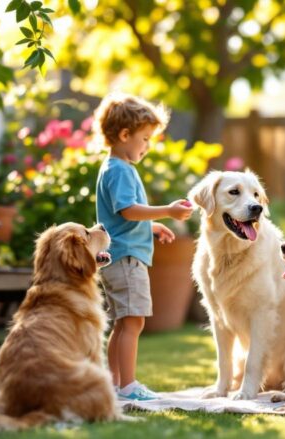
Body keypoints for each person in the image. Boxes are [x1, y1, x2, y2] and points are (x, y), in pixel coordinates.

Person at [93, 93, 193, 401]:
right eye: (145, 138)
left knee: (124, 322)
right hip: (126, 258)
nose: (147, 146)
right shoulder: (120, 170)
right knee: (133, 320)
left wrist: (151, 226)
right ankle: (129, 385)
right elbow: (128, 210)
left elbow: (121, 217)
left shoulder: (113, 168)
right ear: (125, 135)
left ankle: (114, 384)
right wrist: (168, 211)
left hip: (119, 255)